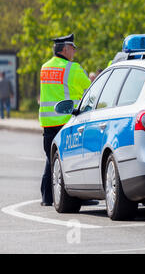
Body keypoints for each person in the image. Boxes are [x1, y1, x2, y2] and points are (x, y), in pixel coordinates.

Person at [39, 34, 91, 206]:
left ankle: (47, 197)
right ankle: (77, 197)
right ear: (65, 49)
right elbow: (90, 88)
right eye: (73, 48)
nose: (74, 51)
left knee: (51, 158)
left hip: (48, 123)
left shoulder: (45, 68)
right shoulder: (72, 68)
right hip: (67, 122)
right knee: (71, 161)